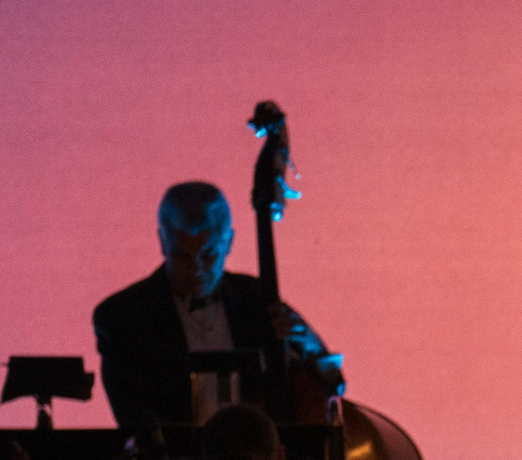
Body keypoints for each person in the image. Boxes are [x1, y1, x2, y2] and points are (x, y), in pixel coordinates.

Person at [92, 181, 342, 438]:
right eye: (182, 257)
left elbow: (335, 385)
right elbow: (133, 420)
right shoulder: (122, 316)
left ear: (230, 242)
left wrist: (308, 341)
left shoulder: (256, 299)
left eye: (209, 254)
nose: (197, 269)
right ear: (162, 242)